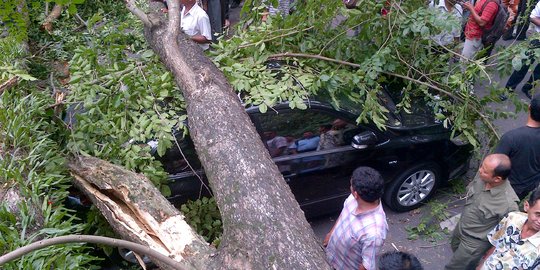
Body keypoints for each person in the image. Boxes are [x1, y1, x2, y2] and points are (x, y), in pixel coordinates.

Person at [445, 154, 519, 270]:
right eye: (481, 166)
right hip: (461, 228)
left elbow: (505, 233)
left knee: (454, 267)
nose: (480, 171)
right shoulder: (482, 177)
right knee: (457, 253)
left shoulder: (508, 204)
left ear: (497, 179)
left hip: (474, 243)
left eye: (484, 171)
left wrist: (489, 253)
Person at [324, 167, 388, 270]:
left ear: (356, 194)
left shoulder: (374, 233)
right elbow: (344, 213)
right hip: (331, 255)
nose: (350, 187)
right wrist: (331, 233)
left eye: (351, 185)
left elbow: (366, 266)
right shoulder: (354, 198)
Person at [479, 187, 540, 269]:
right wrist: (482, 265)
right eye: (538, 215)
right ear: (526, 206)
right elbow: (496, 244)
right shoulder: (512, 218)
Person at [494, 94, 540, 199]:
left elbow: (496, 166)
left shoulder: (511, 138)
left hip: (507, 189)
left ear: (529, 107)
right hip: (530, 188)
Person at [504, 1, 540, 99]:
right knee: (524, 64)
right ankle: (509, 89)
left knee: (539, 71)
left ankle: (528, 88)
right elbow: (532, 17)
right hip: (538, 38)